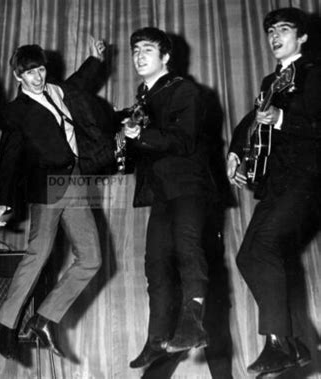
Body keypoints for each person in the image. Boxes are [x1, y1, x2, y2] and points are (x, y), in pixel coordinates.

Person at [0, 38, 113, 359]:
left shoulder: (55, 90)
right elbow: (8, 160)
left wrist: (94, 60)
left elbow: (79, 83)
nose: (37, 77)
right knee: (38, 254)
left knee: (92, 259)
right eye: (29, 73)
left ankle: (44, 318)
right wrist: (2, 201)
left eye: (40, 70)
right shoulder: (15, 113)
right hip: (48, 187)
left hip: (76, 180)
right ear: (18, 77)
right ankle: (6, 327)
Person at [227, 7, 320, 377]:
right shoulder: (272, 81)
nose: (274, 36)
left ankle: (280, 343)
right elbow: (252, 119)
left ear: (303, 38)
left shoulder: (315, 72)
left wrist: (281, 119)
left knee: (262, 247)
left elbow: (316, 123)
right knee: (248, 257)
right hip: (277, 183)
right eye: (270, 31)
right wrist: (236, 151)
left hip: (308, 178)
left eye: (284, 29)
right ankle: (290, 345)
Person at [123, 27, 214, 369]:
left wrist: (140, 134)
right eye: (135, 50)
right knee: (156, 263)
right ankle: (157, 338)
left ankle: (192, 323)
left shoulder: (183, 89)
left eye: (148, 49)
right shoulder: (142, 98)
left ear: (166, 57)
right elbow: (145, 146)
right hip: (161, 193)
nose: (139, 55)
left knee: (188, 249)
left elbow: (184, 140)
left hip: (189, 186)